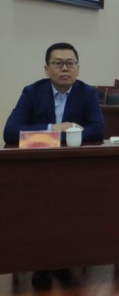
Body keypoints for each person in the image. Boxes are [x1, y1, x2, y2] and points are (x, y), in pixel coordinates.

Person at [3, 42, 105, 289]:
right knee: (39, 202)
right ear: (46, 69)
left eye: (70, 63)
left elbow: (98, 130)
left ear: (78, 68)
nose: (64, 68)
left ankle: (64, 257)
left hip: (74, 168)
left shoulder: (87, 92)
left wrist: (63, 136)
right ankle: (42, 261)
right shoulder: (32, 92)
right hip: (37, 168)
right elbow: (10, 131)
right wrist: (54, 129)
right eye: (58, 63)